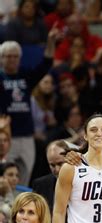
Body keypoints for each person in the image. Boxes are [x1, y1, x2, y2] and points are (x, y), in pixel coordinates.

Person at [0, 27, 59, 185]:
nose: (12, 59)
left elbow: (46, 64)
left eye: (15, 56)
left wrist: (51, 42)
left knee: (23, 179)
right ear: (1, 59)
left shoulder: (25, 76)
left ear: (20, 58)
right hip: (6, 137)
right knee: (4, 177)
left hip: (27, 136)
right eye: (8, 56)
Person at [32, 140, 69, 211]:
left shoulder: (83, 183)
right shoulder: (40, 185)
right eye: (52, 165)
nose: (57, 169)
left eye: (60, 163)